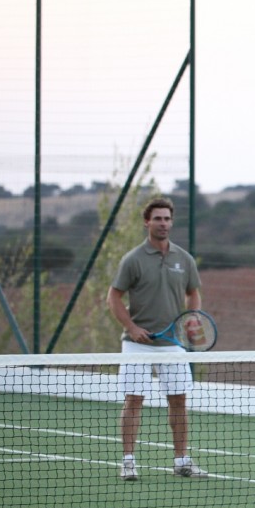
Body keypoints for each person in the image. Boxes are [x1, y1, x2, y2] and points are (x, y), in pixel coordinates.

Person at [107, 197, 208, 481]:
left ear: (171, 222)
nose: (163, 223)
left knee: (178, 400)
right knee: (134, 400)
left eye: (167, 219)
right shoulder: (133, 259)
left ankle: (182, 461)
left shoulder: (184, 259)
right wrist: (132, 327)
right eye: (158, 219)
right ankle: (128, 462)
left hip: (173, 345)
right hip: (136, 345)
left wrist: (192, 318)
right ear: (147, 222)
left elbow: (193, 293)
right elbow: (113, 297)